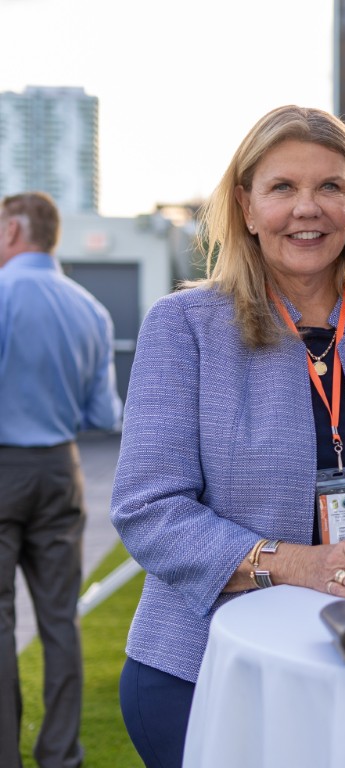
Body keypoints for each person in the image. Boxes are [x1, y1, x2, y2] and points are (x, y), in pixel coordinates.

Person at [110, 105, 345, 767]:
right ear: (247, 207)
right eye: (282, 187)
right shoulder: (185, 326)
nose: (306, 208)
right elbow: (149, 511)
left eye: (329, 187)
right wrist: (293, 562)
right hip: (210, 673)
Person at [0, 192, 122, 768]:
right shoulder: (90, 309)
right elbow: (103, 415)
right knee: (60, 619)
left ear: (12, 230)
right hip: (61, 469)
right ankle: (61, 755)